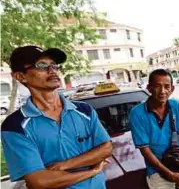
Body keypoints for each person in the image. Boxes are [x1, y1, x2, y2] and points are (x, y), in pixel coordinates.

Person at [1, 46, 112, 189]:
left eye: (54, 65)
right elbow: (39, 182)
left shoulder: (84, 110)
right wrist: (93, 170)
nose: (52, 70)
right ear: (20, 76)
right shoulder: (15, 126)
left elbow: (106, 148)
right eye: (42, 65)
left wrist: (63, 165)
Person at [129, 69, 179, 189]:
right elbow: (145, 150)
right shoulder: (137, 113)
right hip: (157, 169)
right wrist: (168, 174)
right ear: (149, 88)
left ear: (172, 89)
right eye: (157, 86)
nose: (162, 91)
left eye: (167, 86)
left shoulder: (176, 106)